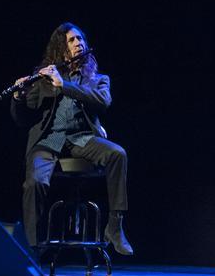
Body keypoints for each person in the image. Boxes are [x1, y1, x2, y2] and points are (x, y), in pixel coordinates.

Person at [11, 22, 133, 256]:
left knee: (118, 153)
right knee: (35, 182)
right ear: (62, 48)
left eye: (80, 39)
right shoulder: (45, 76)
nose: (78, 43)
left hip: (82, 138)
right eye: (71, 40)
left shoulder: (98, 79)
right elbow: (23, 117)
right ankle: (32, 249)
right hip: (49, 139)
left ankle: (115, 226)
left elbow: (102, 101)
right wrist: (17, 96)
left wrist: (63, 85)